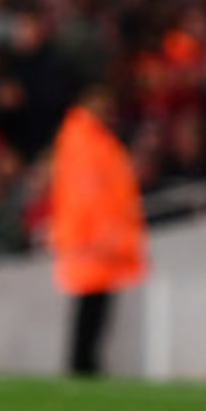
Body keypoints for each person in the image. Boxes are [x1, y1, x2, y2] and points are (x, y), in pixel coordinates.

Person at [49, 84, 147, 376]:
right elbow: (88, 194)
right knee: (90, 311)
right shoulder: (85, 140)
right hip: (93, 243)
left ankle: (85, 365)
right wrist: (105, 234)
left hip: (97, 241)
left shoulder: (91, 138)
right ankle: (83, 366)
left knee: (94, 311)